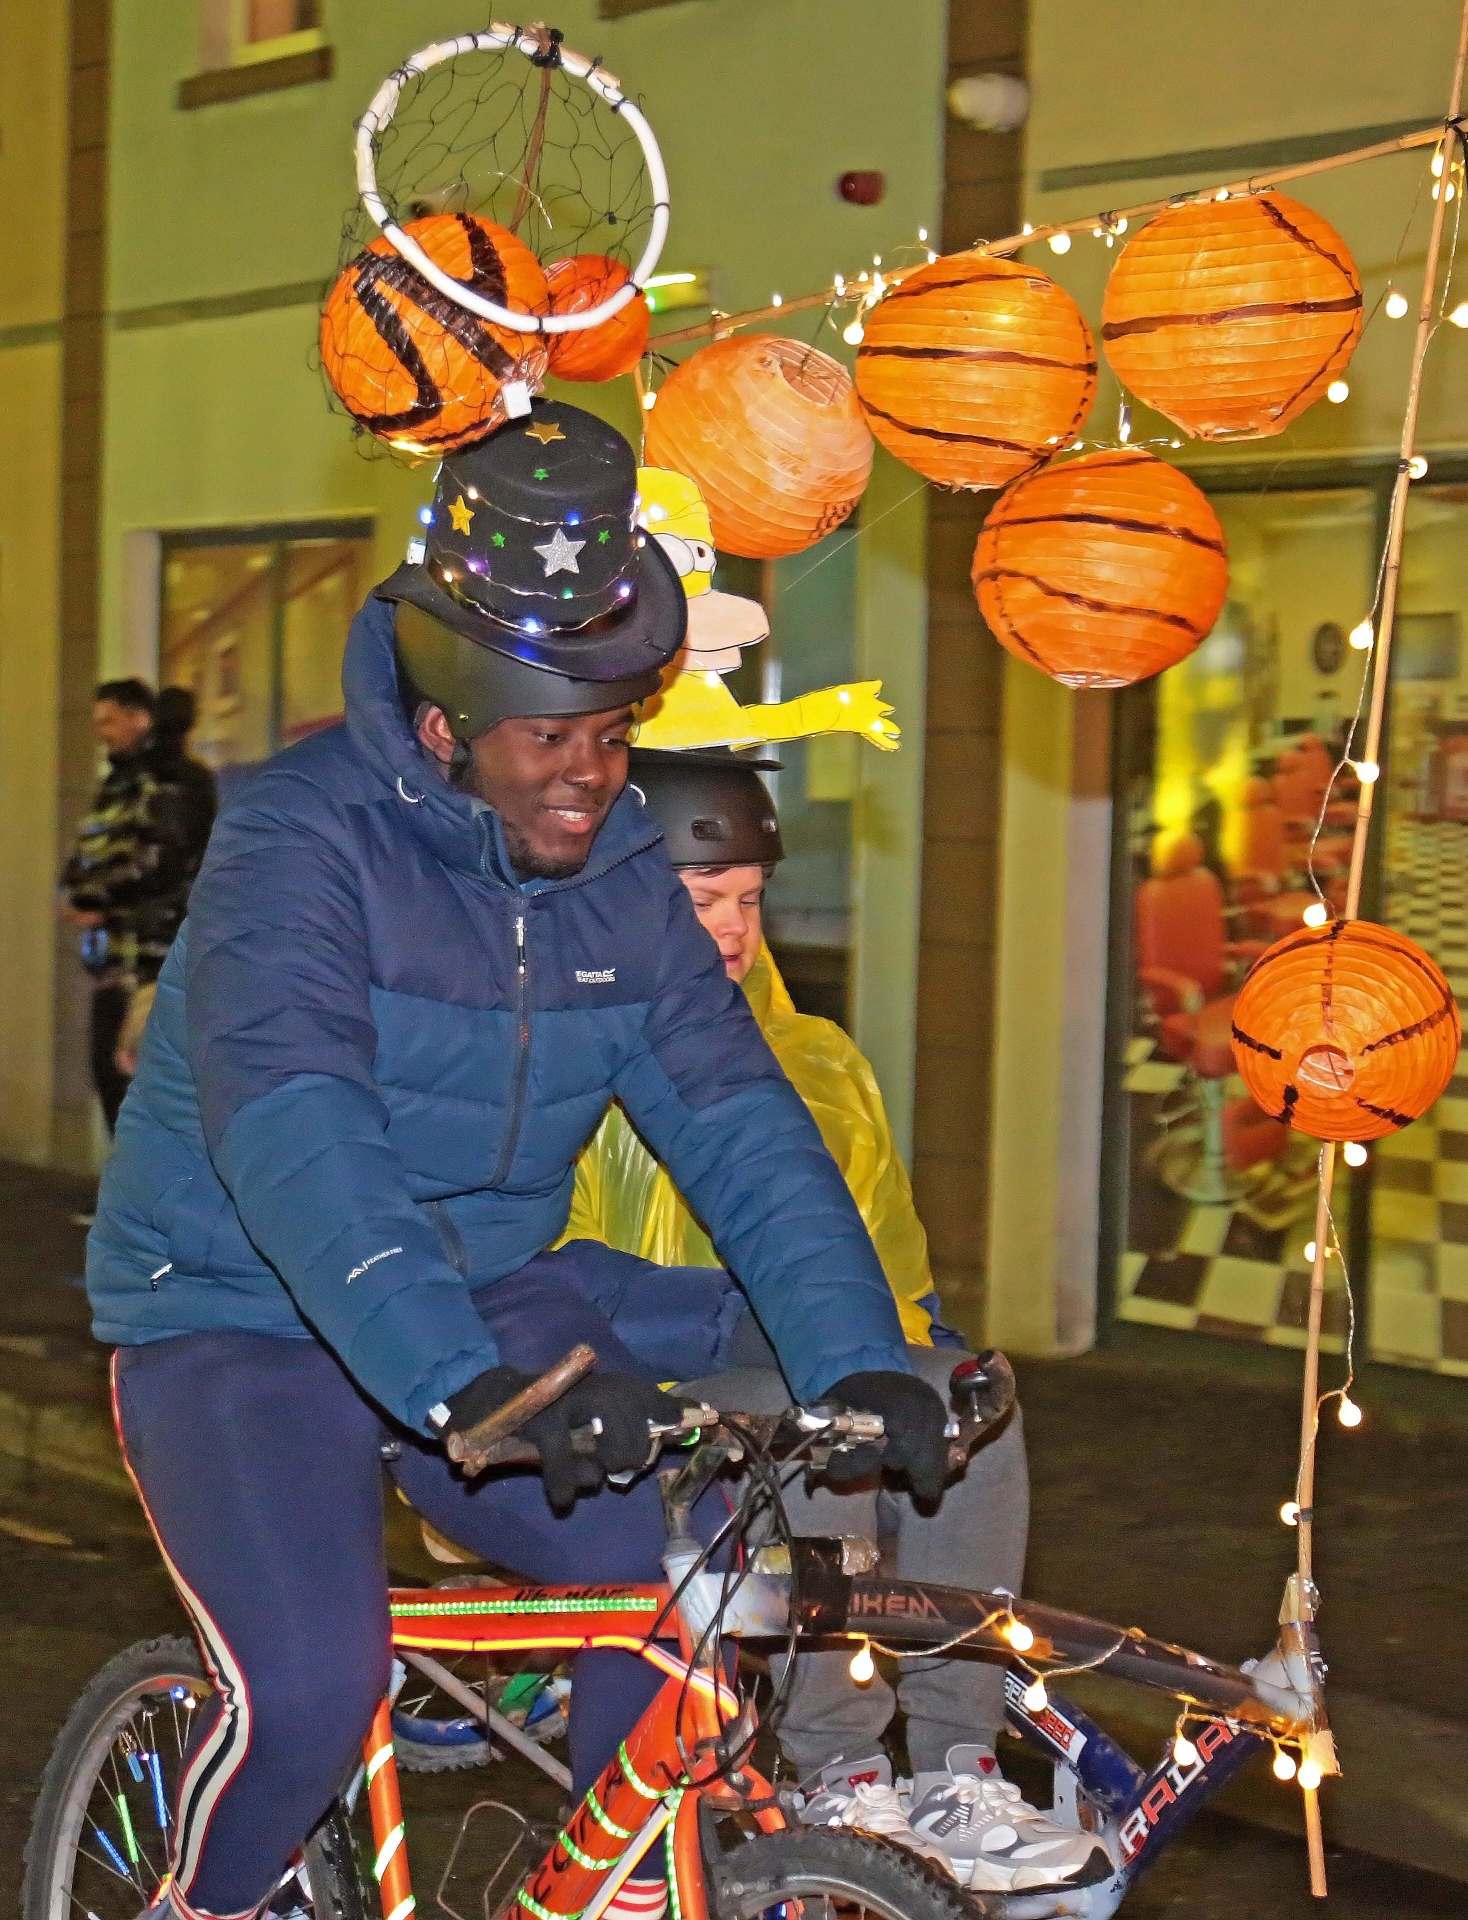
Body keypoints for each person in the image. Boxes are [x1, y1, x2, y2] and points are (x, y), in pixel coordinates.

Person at [87, 402, 952, 1920]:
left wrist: (860, 1353)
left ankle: (613, 1893)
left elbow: (738, 1116)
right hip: (237, 1311)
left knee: (673, 1607)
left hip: (495, 1298)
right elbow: (296, 1124)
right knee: (312, 1687)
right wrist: (458, 1388)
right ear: (442, 730)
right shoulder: (296, 837)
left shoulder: (618, 872)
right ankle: (199, 1903)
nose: (590, 778)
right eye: (550, 740)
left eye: (611, 736)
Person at [562, 749, 1109, 1897]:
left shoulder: (818, 1061)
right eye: (702, 899)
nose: (732, 926)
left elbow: (887, 1261)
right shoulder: (573, 1060)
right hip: (650, 1374)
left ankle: (957, 1761)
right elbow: (549, 1269)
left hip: (801, 1348)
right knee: (813, 1418)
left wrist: (923, 1367)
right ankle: (838, 1765)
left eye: (749, 898)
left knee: (971, 1401)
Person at [60, 679, 214, 1133]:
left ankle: (149, 1178)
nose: (101, 733)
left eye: (108, 721)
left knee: (142, 1082)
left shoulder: (173, 781)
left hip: (156, 957)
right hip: (117, 957)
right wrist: (74, 890)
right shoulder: (121, 783)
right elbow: (93, 847)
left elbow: (159, 859)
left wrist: (94, 898)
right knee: (112, 1074)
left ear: (139, 718)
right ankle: (131, 1176)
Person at [111, 687, 218, 1078]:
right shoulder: (198, 780)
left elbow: (127, 852)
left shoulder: (140, 779)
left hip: (140, 926)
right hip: (182, 922)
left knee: (136, 1036)